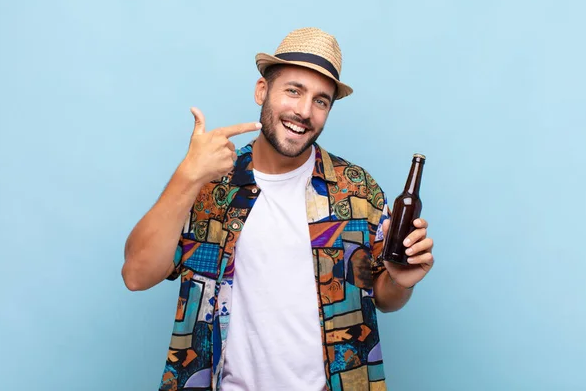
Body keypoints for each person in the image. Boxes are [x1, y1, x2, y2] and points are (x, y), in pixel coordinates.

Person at [122, 27, 435, 391]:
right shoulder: (212, 186)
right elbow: (136, 275)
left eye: (321, 100)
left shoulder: (357, 190)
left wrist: (400, 281)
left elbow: (382, 297)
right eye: (293, 90)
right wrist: (186, 177)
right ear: (261, 91)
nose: (304, 111)